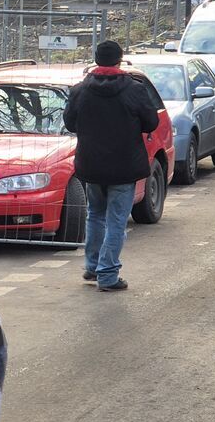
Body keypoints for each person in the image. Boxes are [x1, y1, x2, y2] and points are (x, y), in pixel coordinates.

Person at [64, 40, 159, 293]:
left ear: (96, 60)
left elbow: (70, 124)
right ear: (120, 60)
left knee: (94, 214)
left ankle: (93, 266)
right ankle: (107, 274)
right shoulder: (134, 90)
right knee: (117, 220)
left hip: (91, 165)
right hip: (124, 166)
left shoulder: (80, 90)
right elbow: (151, 122)